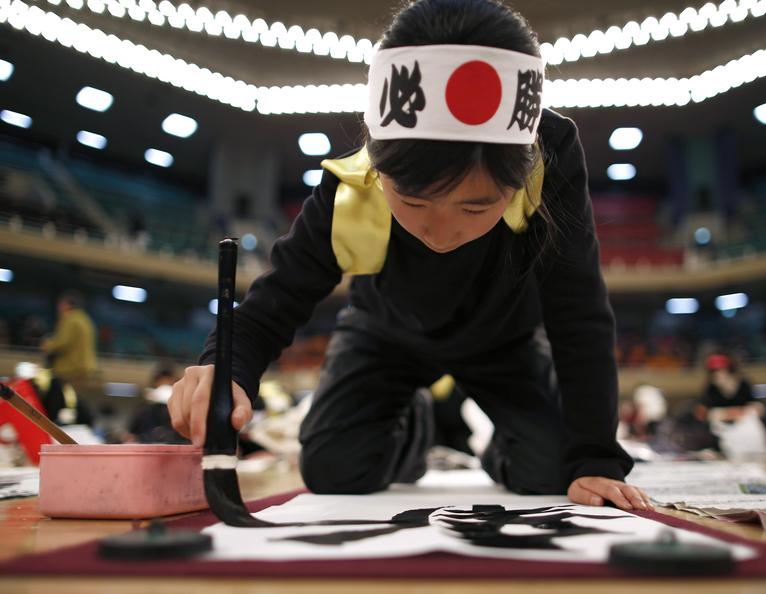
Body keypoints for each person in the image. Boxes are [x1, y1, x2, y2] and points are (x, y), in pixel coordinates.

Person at [169, 0, 649, 511]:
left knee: (556, 471)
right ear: (378, 162)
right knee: (333, 468)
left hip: (503, 340)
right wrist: (226, 368)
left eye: (475, 206)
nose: (439, 232)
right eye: (413, 201)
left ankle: (495, 449)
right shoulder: (349, 183)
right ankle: (415, 426)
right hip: (384, 334)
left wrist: (597, 456)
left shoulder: (550, 160)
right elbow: (275, 302)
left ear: (519, 179)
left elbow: (578, 312)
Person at [41, 290, 98, 386]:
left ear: (67, 305)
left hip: (70, 368)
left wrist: (47, 345)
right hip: (85, 367)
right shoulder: (85, 318)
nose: (58, 308)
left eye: (59, 305)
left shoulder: (69, 318)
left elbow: (62, 342)